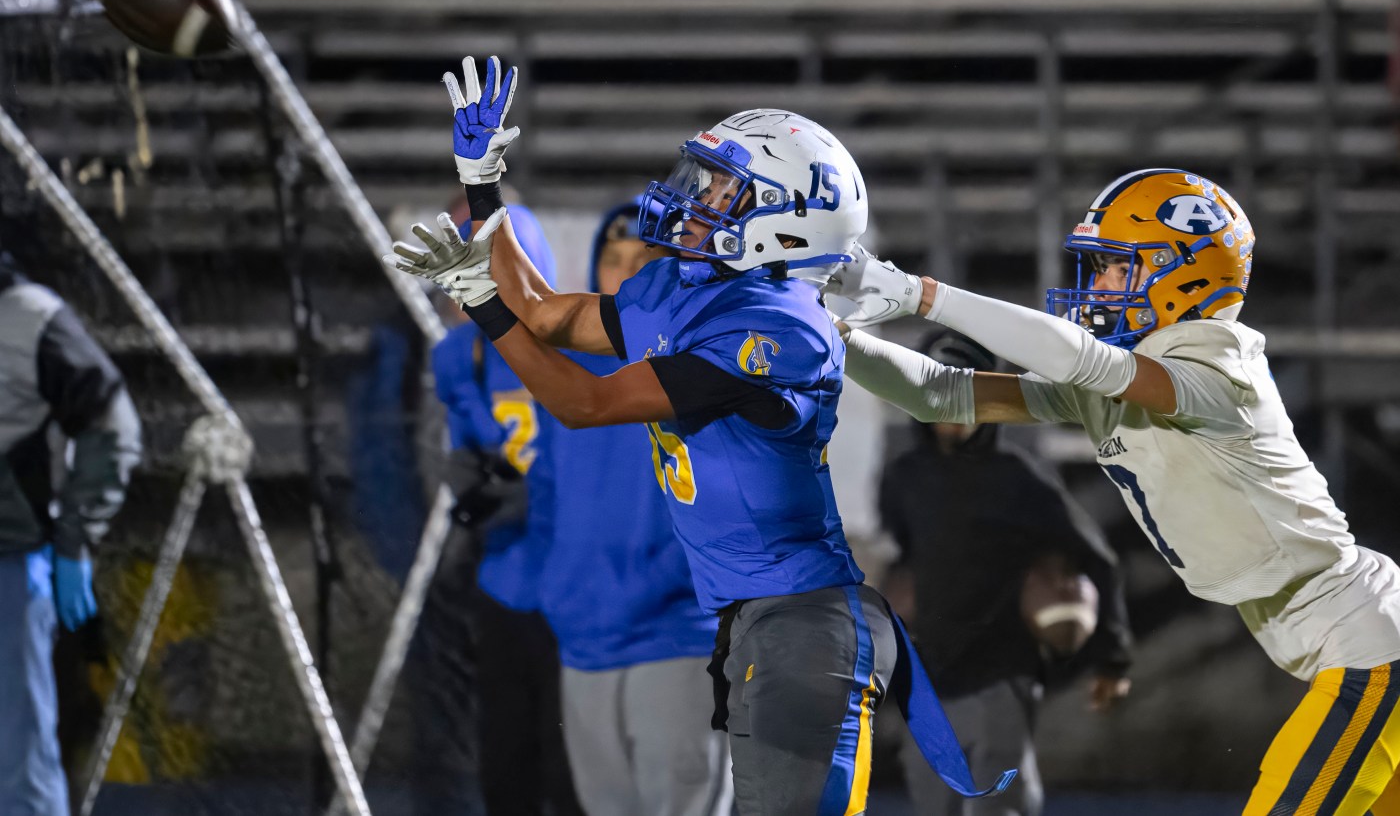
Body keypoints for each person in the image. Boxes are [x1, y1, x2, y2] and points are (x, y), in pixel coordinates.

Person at [386, 56, 1013, 815]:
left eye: (724, 188)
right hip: (749, 619)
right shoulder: (689, 293)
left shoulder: (778, 330)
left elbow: (582, 402)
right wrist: (484, 187)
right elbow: (548, 313)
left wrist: (486, 305)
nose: (699, 198)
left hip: (804, 628)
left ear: (783, 219)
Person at [825, 168, 1400, 816]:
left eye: (1114, 267)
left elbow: (1078, 358)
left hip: (1372, 650)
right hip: (1346, 643)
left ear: (1184, 273)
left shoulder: (1219, 363)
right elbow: (942, 393)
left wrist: (921, 294)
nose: (1095, 285)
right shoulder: (1127, 376)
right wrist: (833, 339)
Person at [880, 331, 1132, 816]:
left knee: (1000, 800)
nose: (950, 415)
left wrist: (1112, 658)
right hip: (930, 674)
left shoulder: (1018, 477)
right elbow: (903, 559)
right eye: (936, 397)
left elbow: (1097, 558)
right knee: (932, 800)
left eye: (965, 398)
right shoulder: (905, 477)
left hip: (1004, 668)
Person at [539, 197, 730, 816]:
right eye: (611, 260)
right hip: (583, 642)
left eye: (642, 260)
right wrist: (560, 590)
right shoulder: (567, 377)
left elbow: (728, 515)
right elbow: (548, 499)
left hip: (675, 640)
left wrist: (651, 588)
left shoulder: (707, 366)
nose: (622, 276)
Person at [429, 203, 582, 816]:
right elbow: (460, 450)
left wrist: (538, 497)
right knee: (507, 766)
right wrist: (466, 479)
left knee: (575, 774)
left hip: (577, 588)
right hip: (504, 582)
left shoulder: (579, 344)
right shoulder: (459, 355)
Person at [0, 250, 141, 816]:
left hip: (8, 564)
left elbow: (113, 423)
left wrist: (75, 539)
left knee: (19, 759)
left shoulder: (28, 316)